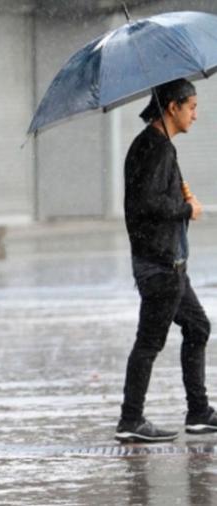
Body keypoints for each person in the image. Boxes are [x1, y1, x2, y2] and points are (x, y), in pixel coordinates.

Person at [116, 78, 216, 443]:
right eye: (191, 107)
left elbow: (150, 198)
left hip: (165, 262)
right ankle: (130, 420)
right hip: (160, 265)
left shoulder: (153, 145)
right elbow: (147, 203)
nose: (195, 115)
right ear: (172, 107)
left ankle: (199, 412)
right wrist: (187, 209)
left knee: (198, 326)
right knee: (149, 342)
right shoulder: (156, 149)